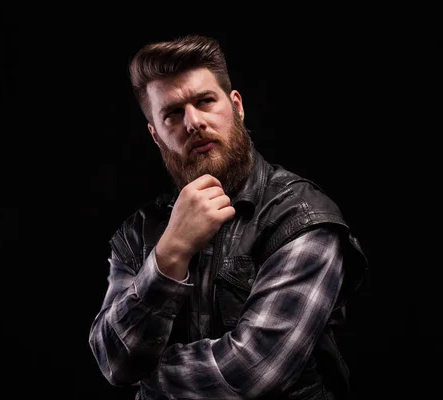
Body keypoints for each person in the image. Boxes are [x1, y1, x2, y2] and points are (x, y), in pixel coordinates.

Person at [88, 34, 368, 400]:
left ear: (236, 106)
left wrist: (147, 381)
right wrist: (168, 256)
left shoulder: (302, 218)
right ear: (155, 136)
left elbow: (253, 372)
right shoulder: (141, 232)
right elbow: (113, 361)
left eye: (205, 101)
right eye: (173, 113)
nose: (193, 122)